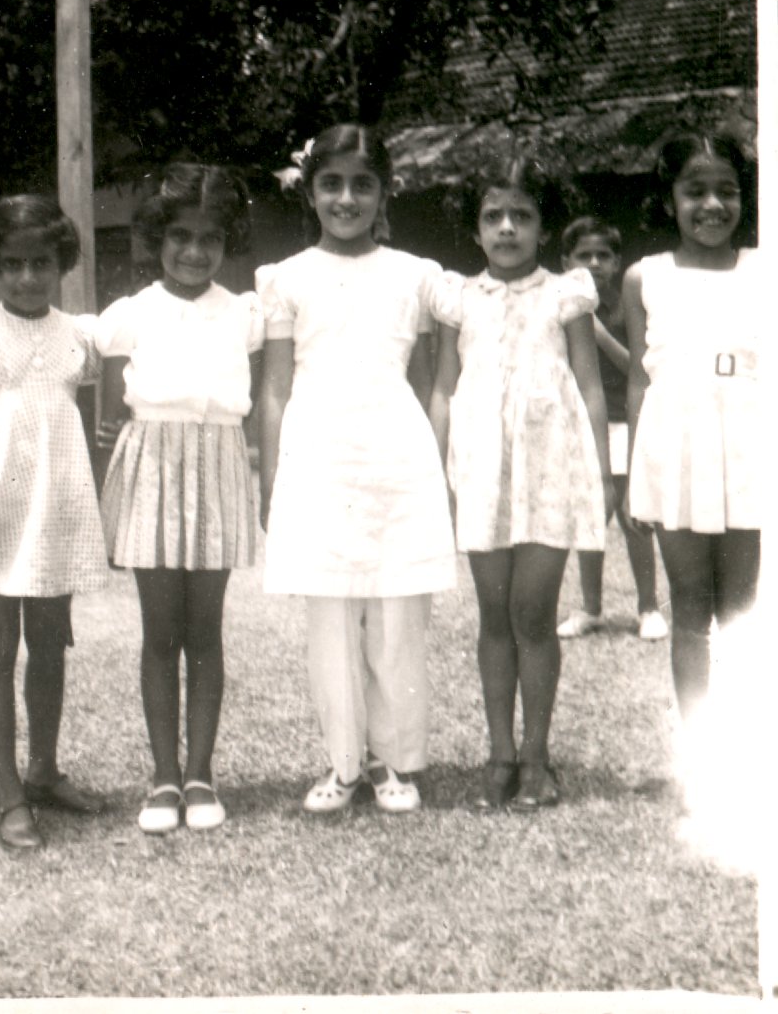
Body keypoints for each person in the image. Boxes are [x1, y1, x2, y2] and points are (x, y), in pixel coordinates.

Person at [257, 125, 456, 816]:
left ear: (384, 191)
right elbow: (275, 388)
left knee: (398, 611)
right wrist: (272, 479)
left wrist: (438, 469)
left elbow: (431, 381)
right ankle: (343, 761)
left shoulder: (416, 275)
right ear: (311, 191)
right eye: (332, 183)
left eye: (362, 184)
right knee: (333, 617)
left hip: (397, 455)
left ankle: (392, 761)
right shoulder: (285, 278)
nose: (347, 198)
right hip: (319, 456)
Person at [428, 152, 612, 813]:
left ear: (541, 227)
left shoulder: (568, 292)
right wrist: (437, 464)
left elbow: (590, 385)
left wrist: (603, 473)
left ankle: (537, 754)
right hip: (481, 466)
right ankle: (499, 753)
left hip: (551, 464)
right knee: (495, 615)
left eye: (522, 216)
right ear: (475, 230)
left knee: (534, 615)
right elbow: (444, 388)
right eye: (493, 216)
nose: (507, 228)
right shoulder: (457, 296)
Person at [0, 195, 110, 852]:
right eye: (13, 264)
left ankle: (44, 769)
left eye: (41, 263)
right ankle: (8, 790)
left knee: (50, 640)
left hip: (56, 501)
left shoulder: (80, 334)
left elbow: (87, 431)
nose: (28, 277)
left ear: (61, 262)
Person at [96, 163, 262, 836]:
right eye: (181, 236)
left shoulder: (246, 313)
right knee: (160, 632)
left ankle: (201, 773)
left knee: (206, 631)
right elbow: (109, 422)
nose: (195, 251)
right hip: (152, 469)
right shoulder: (128, 316)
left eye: (211, 238)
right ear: (156, 237)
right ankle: (163, 776)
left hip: (219, 461)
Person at [623, 132, 759, 731]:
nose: (712, 206)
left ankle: (743, 743)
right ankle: (699, 750)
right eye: (695, 191)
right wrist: (634, 474)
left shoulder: (764, 268)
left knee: (742, 609)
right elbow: (636, 378)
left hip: (748, 451)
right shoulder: (644, 277)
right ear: (669, 198)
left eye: (726, 192)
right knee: (690, 608)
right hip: (675, 453)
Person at [556, 217, 666, 642]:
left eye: (604, 256)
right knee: (590, 516)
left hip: (625, 422)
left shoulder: (625, 308)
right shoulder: (563, 305)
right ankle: (591, 608)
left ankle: (649, 607)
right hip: (582, 426)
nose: (595, 263)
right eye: (585, 256)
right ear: (566, 261)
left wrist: (600, 335)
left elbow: (640, 369)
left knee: (631, 515)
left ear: (617, 261)